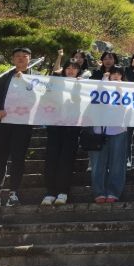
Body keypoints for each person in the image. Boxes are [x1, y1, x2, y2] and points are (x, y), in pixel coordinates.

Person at [0, 47, 35, 207]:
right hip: (3, 124)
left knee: (18, 159)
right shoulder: (5, 77)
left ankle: (13, 193)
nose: (21, 58)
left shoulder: (36, 79)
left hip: (23, 125)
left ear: (30, 59)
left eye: (24, 56)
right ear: (13, 59)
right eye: (18, 56)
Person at [41, 60, 82, 205]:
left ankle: (63, 192)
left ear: (78, 71)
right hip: (55, 125)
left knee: (67, 159)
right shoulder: (56, 83)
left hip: (72, 127)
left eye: (74, 68)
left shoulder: (82, 84)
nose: (71, 70)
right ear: (64, 70)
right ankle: (50, 192)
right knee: (51, 158)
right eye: (68, 68)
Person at [89, 66, 128, 203]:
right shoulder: (101, 86)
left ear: (122, 76)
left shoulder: (129, 88)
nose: (116, 76)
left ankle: (113, 192)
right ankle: (99, 192)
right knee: (98, 163)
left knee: (117, 163)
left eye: (119, 73)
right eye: (113, 73)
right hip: (99, 130)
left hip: (119, 130)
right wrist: (103, 81)